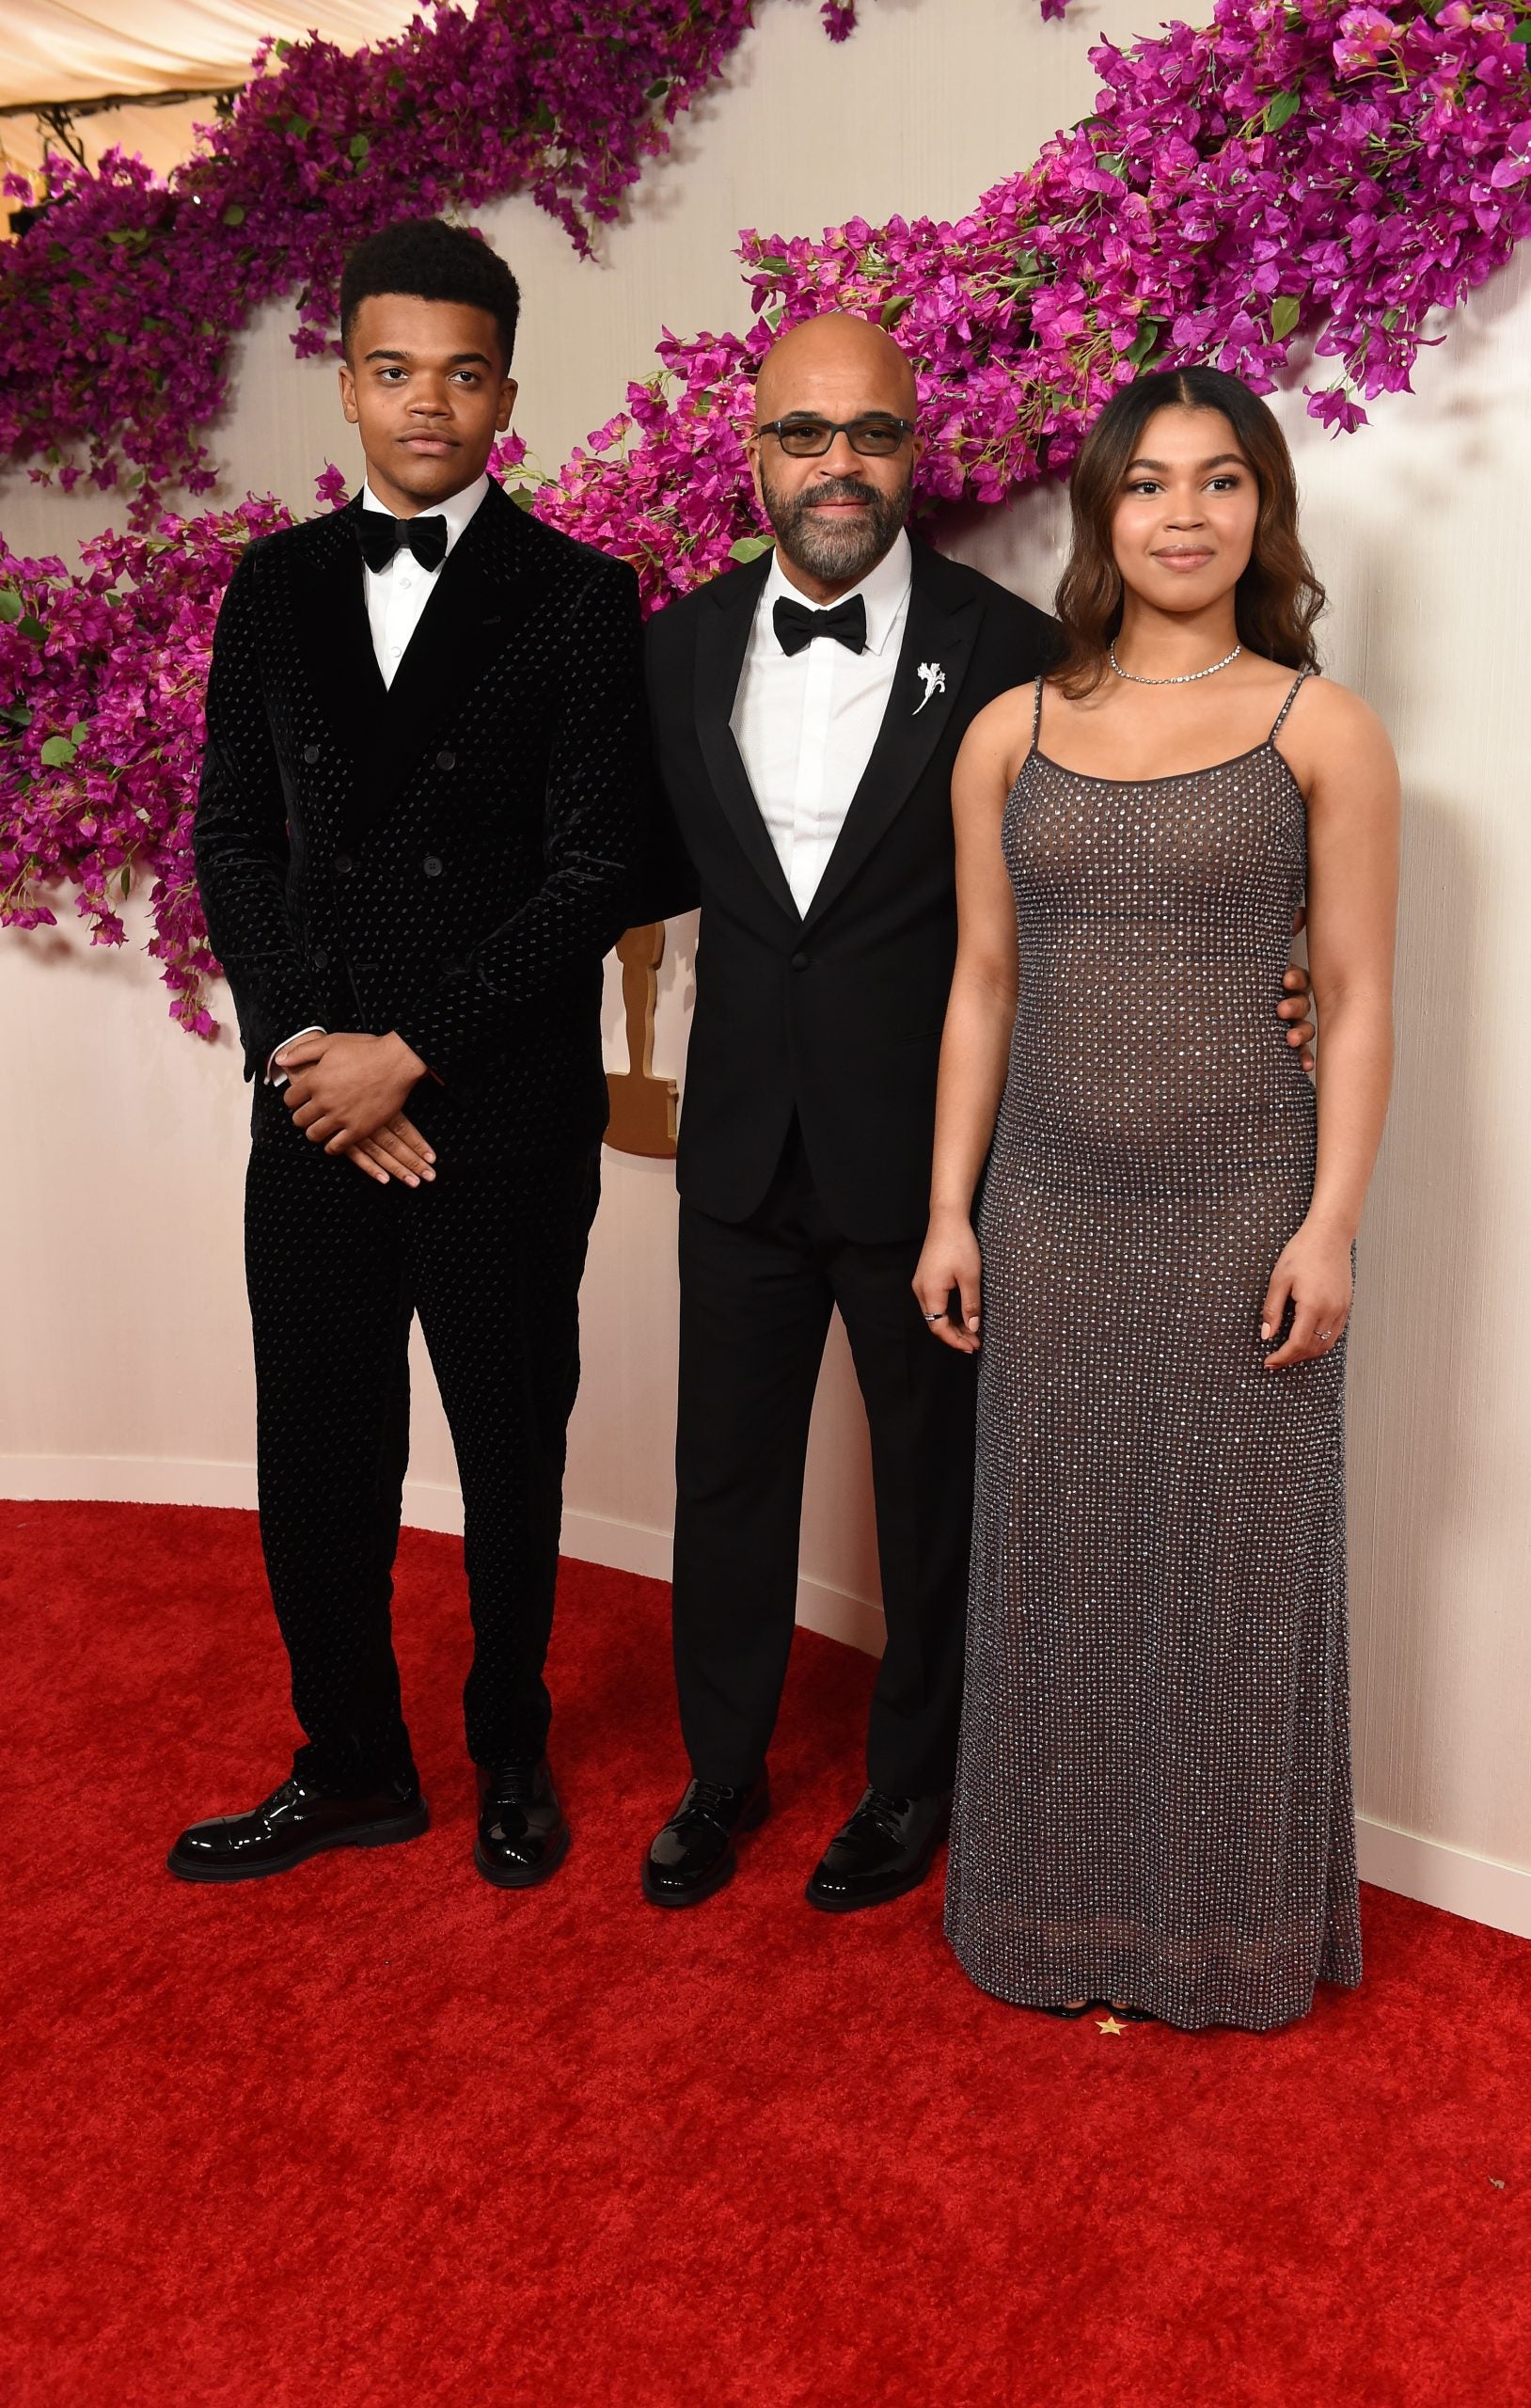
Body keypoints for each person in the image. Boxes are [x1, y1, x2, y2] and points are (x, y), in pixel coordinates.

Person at [636, 317, 1318, 1914]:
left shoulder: (1014, 652)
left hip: (937, 1157)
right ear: (754, 452)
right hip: (738, 1143)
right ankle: (717, 1775)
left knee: (938, 1495)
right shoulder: (670, 647)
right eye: (806, 435)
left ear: (912, 452)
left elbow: (1114, 861)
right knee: (723, 1478)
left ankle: (912, 1782)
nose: (838, 466)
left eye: (871, 435)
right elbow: (631, 867)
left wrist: (1280, 971)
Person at [915, 365, 1399, 2031]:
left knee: (1235, 1578)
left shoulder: (1317, 726)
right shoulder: (1012, 731)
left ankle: (1230, 1938)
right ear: (1099, 514)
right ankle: (1050, 1925)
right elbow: (982, 984)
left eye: (1220, 482)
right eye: (1148, 483)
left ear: (1262, 512)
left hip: (1243, 1216)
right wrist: (949, 1210)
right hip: (1046, 1212)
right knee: (1057, 1568)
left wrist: (1331, 1222)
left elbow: (1355, 992)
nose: (1182, 515)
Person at [170, 217, 649, 1889]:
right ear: (350, 386)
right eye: (393, 371)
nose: (425, 402)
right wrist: (315, 1050)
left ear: (508, 391)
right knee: (315, 1446)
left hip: (497, 1107)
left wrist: (410, 1056)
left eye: (460, 373)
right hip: (313, 1104)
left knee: (510, 1444)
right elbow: (232, 839)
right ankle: (352, 1761)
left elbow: (593, 869)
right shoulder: (272, 584)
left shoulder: (584, 597)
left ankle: (511, 1744)